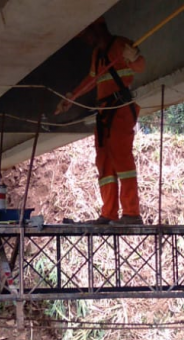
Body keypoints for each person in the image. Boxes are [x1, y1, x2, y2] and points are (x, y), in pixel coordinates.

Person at [56, 17, 146, 225]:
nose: (86, 40)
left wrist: (135, 57)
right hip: (105, 112)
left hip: (120, 109)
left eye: (87, 34)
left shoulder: (121, 45)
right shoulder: (97, 54)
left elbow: (140, 66)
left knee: (122, 159)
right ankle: (109, 213)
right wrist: (72, 97)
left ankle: (132, 213)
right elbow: (92, 79)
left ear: (97, 29)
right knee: (105, 163)